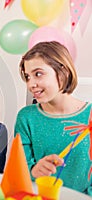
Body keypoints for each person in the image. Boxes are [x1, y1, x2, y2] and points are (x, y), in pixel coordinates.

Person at [15, 41, 92, 195]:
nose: (31, 84)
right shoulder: (26, 118)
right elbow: (20, 170)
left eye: (38, 74)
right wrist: (34, 171)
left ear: (64, 72)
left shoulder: (90, 116)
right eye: (27, 77)